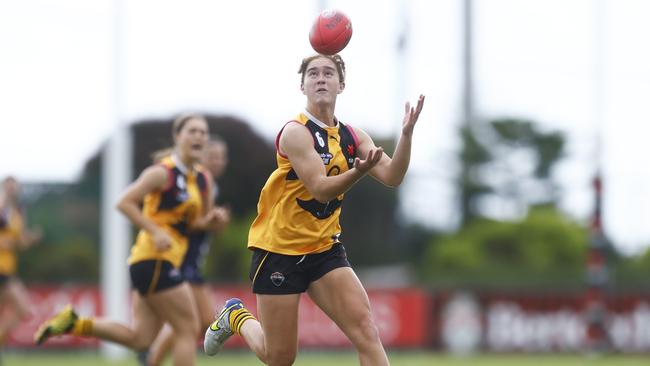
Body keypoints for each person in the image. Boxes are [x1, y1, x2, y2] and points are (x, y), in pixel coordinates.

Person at [203, 54, 425, 365]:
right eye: (313, 74)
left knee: (367, 332)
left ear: (341, 84)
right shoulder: (296, 132)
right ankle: (236, 316)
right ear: (303, 85)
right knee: (279, 357)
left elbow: (393, 176)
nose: (321, 78)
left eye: (328, 73)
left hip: (324, 250)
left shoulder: (352, 136)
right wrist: (359, 171)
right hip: (279, 249)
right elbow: (320, 190)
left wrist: (406, 136)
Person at [34, 114, 225, 366]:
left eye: (203, 132)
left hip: (160, 263)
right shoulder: (162, 173)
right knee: (187, 329)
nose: (199, 136)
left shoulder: (203, 179)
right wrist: (154, 230)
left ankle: (74, 323)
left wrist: (212, 220)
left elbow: (194, 224)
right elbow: (124, 202)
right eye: (192, 131)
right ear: (177, 137)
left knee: (141, 339)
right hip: (154, 259)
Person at [145, 138, 231, 366]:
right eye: (213, 156)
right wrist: (212, 219)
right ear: (201, 157)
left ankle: (150, 358)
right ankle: (151, 358)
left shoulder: (206, 183)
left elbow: (206, 225)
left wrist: (218, 222)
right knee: (196, 322)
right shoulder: (196, 182)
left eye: (222, 157)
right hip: (182, 258)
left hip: (192, 260)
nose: (219, 161)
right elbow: (191, 222)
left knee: (192, 323)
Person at [0, 177, 42, 347]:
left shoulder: (18, 212)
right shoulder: (1, 209)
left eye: (14, 188)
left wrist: (30, 239)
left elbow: (19, 242)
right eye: (9, 188)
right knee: (22, 308)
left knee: (22, 310)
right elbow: (7, 242)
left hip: (7, 269)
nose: (12, 191)